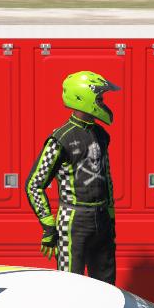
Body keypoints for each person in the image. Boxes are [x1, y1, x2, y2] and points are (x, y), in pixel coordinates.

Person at [25, 71, 121, 284]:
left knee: (107, 288)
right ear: (83, 98)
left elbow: (106, 177)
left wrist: (111, 218)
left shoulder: (102, 134)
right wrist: (48, 225)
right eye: (99, 99)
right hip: (73, 220)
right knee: (70, 286)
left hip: (102, 217)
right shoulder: (60, 138)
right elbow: (34, 184)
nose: (102, 103)